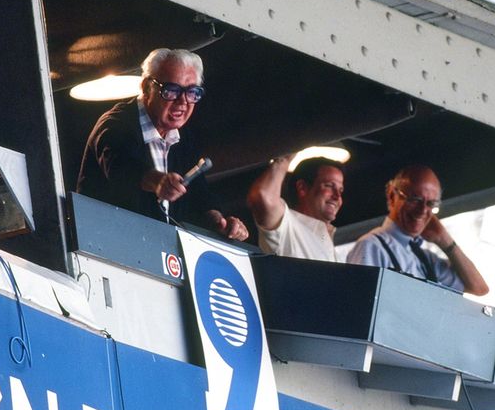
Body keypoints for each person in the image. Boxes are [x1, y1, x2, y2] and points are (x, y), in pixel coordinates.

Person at [76, 48, 248, 241]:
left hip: (153, 248)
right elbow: (121, 168)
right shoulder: (115, 124)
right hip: (102, 243)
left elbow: (200, 194)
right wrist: (157, 181)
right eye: (172, 90)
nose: (183, 102)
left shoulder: (184, 137)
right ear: (147, 87)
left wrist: (221, 222)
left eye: (192, 92)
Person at [346, 165, 488, 295]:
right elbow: (359, 301)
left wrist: (446, 241)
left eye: (431, 204)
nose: (422, 211)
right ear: (392, 196)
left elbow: (479, 288)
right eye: (415, 199)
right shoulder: (372, 246)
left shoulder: (426, 259)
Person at [246, 154, 344, 262]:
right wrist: (286, 156)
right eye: (329, 186)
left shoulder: (331, 245)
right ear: (302, 187)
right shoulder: (287, 225)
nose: (337, 197)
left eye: (340, 190)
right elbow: (263, 195)